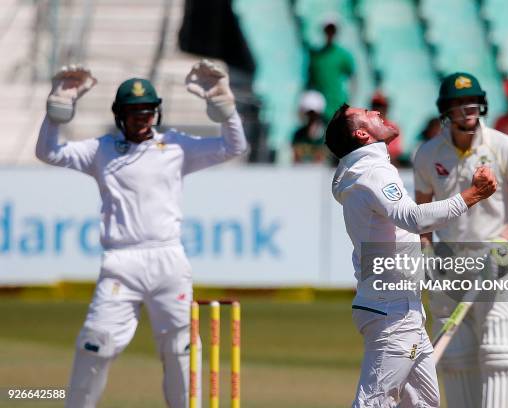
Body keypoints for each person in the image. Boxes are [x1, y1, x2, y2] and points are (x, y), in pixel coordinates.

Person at [36, 60, 248, 408]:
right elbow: (49, 152)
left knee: (181, 350)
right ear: (120, 115)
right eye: (135, 113)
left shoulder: (176, 146)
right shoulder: (101, 150)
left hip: (169, 261)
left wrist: (225, 108)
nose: (143, 119)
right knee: (95, 343)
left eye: (148, 112)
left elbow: (234, 146)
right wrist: (57, 111)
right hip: (121, 263)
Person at [325, 103, 497, 407]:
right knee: (373, 403)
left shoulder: (365, 172)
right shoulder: (374, 171)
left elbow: (402, 235)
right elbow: (414, 219)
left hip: (400, 309)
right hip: (392, 313)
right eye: (367, 114)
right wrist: (475, 195)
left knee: (423, 404)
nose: (376, 112)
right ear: (363, 134)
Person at [414, 72, 508, 408]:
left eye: (472, 103)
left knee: (502, 345)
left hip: (494, 256)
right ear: (446, 111)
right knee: (456, 356)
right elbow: (422, 216)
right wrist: (427, 253)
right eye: (458, 105)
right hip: (448, 262)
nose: (467, 110)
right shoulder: (428, 154)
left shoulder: (503, 145)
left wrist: (506, 236)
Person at [306, 19, 355, 121]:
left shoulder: (343, 55)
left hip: (337, 103)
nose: (330, 33)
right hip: (317, 105)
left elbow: (353, 78)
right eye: (328, 30)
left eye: (332, 30)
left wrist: (351, 99)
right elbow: (308, 81)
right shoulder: (315, 56)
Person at [292, 90, 327, 163]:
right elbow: (295, 160)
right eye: (308, 114)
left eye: (314, 115)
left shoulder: (327, 137)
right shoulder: (298, 135)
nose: (311, 118)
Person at [370, 90, 403, 167]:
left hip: (386, 165)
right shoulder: (364, 126)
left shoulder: (393, 127)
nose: (378, 108)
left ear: (386, 108)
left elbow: (395, 153)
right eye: (375, 105)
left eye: (381, 105)